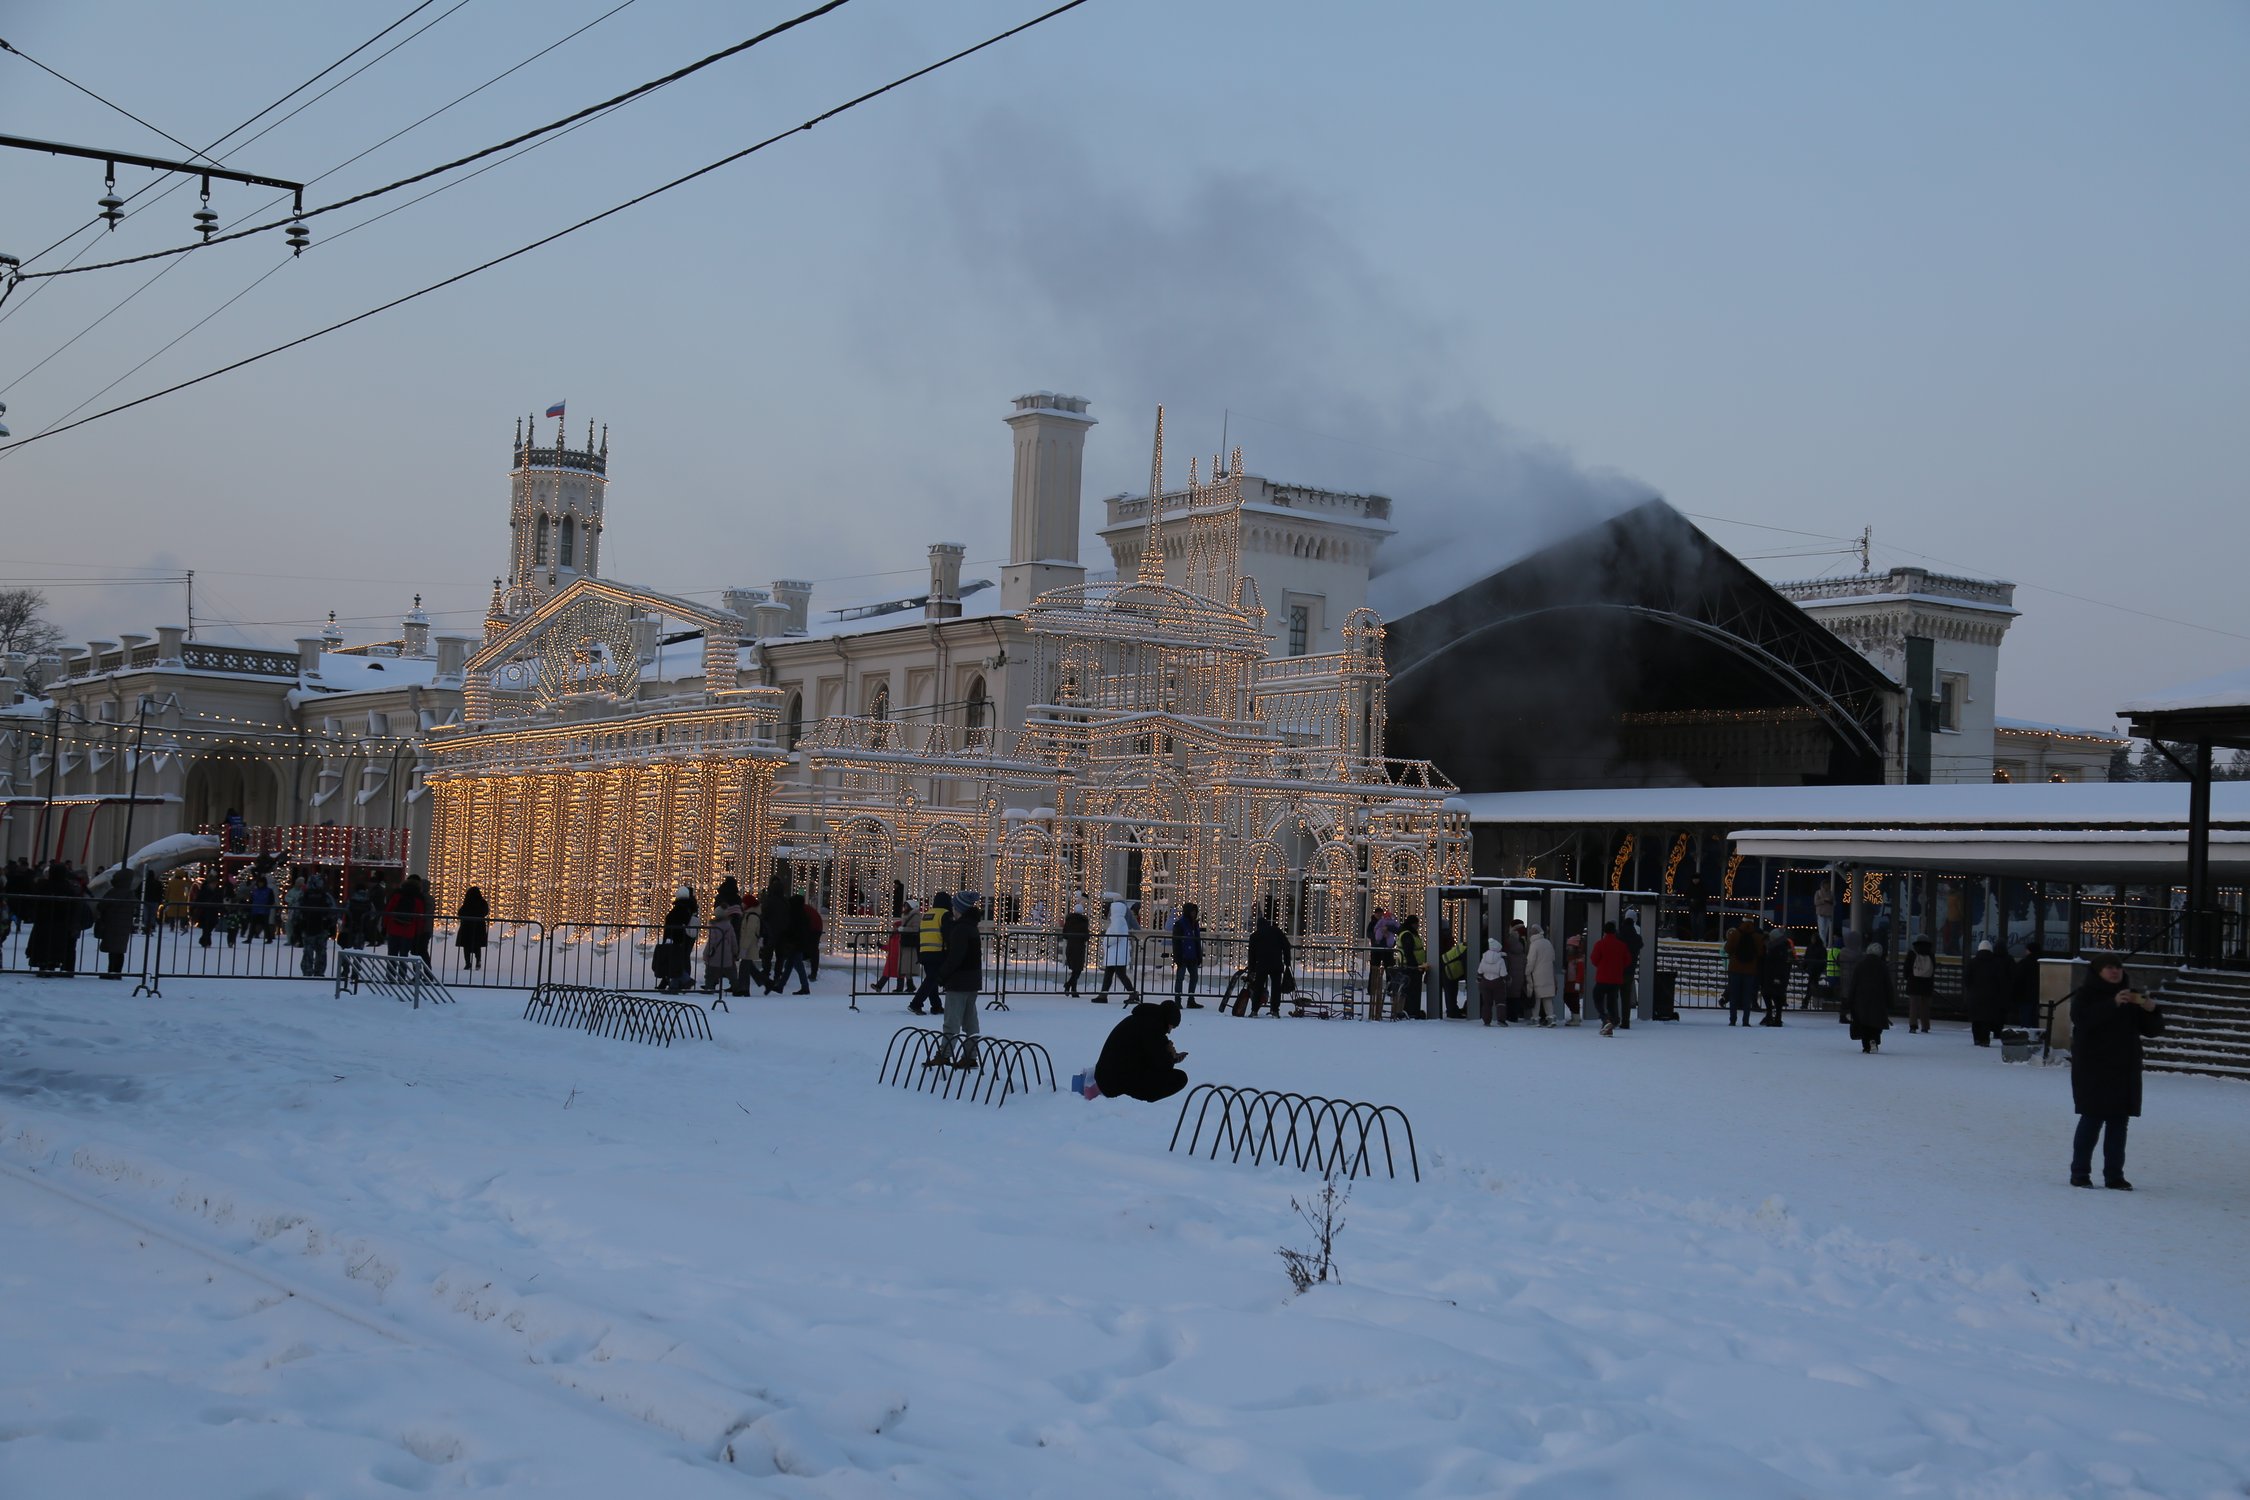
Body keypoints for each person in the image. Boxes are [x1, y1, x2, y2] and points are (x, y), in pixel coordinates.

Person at [2067, 957, 2164, 1189]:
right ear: (2098, 972)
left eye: (2118, 967)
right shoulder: (2086, 994)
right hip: (2094, 1068)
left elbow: (2152, 1030)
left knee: (2119, 1124)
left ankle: (2114, 1175)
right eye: (2109, 968)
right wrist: (2112, 1004)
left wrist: (2152, 1010)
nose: (2114, 972)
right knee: (2091, 1119)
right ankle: (2079, 1172)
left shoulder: (2131, 995)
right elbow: (2081, 1020)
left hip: (2124, 1069)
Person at [925, 889, 985, 1068]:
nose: (952, 910)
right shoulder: (971, 927)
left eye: (954, 907)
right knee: (970, 1021)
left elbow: (955, 957)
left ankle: (945, 1054)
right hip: (972, 980)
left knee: (951, 1021)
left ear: (960, 909)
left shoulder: (960, 929)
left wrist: (941, 975)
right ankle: (970, 1055)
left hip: (959, 980)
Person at [1094, 997, 1188, 1103]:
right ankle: (1140, 1102)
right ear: (1168, 1021)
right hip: (1113, 1084)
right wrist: (1170, 1055)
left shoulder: (1142, 1020)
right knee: (1180, 1078)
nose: (1170, 1032)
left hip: (1106, 1076)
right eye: (1172, 1027)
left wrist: (1169, 1055)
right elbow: (1162, 1066)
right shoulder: (1153, 1029)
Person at [1238, 912, 1291, 1016]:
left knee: (1258, 987)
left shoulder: (1255, 936)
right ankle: (1275, 1010)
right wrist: (1287, 961)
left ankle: (1254, 1010)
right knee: (1276, 988)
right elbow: (1286, 946)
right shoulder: (1277, 931)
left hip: (1261, 965)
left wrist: (1252, 968)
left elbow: (1251, 954)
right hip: (1276, 964)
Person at [1964, 938, 2012, 1047]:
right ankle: (1985, 1040)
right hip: (1991, 996)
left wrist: (1971, 990)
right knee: (1986, 1019)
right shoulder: (1996, 963)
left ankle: (1977, 1039)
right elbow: (2001, 980)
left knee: (1976, 1019)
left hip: (1975, 996)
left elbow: (1967, 979)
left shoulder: (1972, 962)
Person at [1848, 941, 1894, 1053]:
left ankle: (1866, 1045)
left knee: (1863, 1022)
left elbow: (1853, 983)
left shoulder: (1860, 965)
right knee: (1876, 1021)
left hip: (1861, 998)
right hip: (1879, 998)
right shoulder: (1882, 966)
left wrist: (1850, 1000)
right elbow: (1888, 985)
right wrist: (1890, 1001)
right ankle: (1874, 1040)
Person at [909, 892, 951, 1013]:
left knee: (931, 979)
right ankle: (916, 1003)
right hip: (938, 951)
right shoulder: (945, 914)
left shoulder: (927, 914)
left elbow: (920, 934)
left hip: (924, 951)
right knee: (932, 979)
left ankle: (936, 1005)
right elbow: (947, 934)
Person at [1589, 921, 1632, 1037]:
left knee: (1597, 997)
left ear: (1604, 931)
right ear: (1615, 931)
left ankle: (1605, 1019)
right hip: (1616, 978)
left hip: (1602, 977)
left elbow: (1594, 959)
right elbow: (1627, 961)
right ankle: (1611, 1023)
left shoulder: (1600, 944)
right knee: (1612, 1002)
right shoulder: (1621, 945)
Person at [94, 869, 139, 980]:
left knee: (112, 950)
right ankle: (117, 972)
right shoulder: (130, 893)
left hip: (111, 922)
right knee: (119, 950)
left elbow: (102, 905)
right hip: (124, 925)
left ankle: (112, 971)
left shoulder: (113, 892)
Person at [703, 877, 744, 995]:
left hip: (715, 951)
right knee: (731, 968)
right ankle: (735, 986)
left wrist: (706, 953)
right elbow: (734, 942)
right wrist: (736, 952)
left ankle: (710, 985)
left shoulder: (720, 896)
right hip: (731, 935)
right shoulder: (736, 898)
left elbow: (711, 942)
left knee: (711, 970)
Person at [1095, 897, 1140, 1003]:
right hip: (1116, 953)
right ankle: (1103, 994)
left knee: (1120, 974)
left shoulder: (1117, 920)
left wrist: (1107, 942)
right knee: (1110, 974)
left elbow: (1116, 936)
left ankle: (1132, 993)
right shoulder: (1120, 920)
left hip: (1116, 953)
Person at [655, 885, 698, 993]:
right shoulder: (689, 907)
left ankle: (683, 981)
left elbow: (674, 921)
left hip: (676, 938)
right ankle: (675, 984)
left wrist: (669, 937)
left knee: (674, 962)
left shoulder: (680, 908)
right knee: (676, 961)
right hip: (682, 938)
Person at [294, 872, 336, 976]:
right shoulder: (325, 895)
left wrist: (297, 924)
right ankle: (319, 971)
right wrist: (331, 924)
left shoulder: (304, 895)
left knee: (308, 950)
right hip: (322, 926)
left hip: (307, 926)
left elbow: (296, 911)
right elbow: (333, 911)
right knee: (321, 951)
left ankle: (307, 970)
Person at [1725, 917, 1763, 1027]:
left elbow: (1727, 949)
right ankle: (1745, 1021)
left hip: (1735, 969)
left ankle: (1733, 1020)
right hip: (1750, 970)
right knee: (1747, 997)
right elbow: (1760, 952)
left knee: (1734, 995)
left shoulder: (1735, 933)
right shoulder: (1757, 936)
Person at [1391, 913, 1428, 1019]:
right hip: (1410, 967)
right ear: (1412, 924)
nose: (1418, 926)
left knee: (1410, 990)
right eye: (1417, 923)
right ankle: (1411, 1011)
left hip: (1411, 966)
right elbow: (1409, 952)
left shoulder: (1408, 933)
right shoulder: (1407, 934)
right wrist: (1416, 965)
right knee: (1411, 990)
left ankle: (1411, 1010)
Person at [1169, 901, 1205, 1008]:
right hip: (1183, 955)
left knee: (1194, 977)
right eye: (1192, 912)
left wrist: (1199, 955)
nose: (1194, 914)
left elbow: (1197, 941)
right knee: (1180, 978)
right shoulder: (1180, 924)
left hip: (1192, 955)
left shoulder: (1194, 924)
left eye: (1195, 912)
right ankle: (1178, 1001)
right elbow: (1176, 942)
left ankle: (1190, 999)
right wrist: (1177, 956)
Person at [1759, 921, 1794, 1027]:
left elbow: (1776, 964)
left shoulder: (1776, 949)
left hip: (1774, 976)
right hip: (1776, 976)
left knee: (1772, 995)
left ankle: (1774, 1017)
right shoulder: (1781, 947)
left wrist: (1775, 977)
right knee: (1774, 995)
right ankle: (1775, 1016)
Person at [1524, 924, 1558, 1027]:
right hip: (1549, 974)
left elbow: (1531, 961)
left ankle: (1535, 1020)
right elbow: (1553, 958)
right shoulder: (1548, 943)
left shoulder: (1534, 945)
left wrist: (1527, 971)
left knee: (1537, 999)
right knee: (1547, 998)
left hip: (1537, 975)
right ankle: (1551, 1018)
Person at [1904, 936, 1938, 1033]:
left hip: (1913, 983)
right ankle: (1925, 1026)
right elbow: (1933, 968)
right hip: (1927, 984)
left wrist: (1907, 977)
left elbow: (1906, 968)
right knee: (1925, 1006)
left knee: (1914, 1006)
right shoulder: (1931, 954)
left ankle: (1913, 1026)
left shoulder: (1912, 953)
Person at [1366, 906, 1398, 1007]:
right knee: (1374, 969)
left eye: (1381, 913)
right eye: (1378, 913)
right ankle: (1372, 989)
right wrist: (1377, 937)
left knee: (1389, 969)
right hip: (1377, 950)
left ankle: (1390, 988)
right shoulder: (1372, 923)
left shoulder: (1387, 922)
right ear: (1375, 914)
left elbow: (1395, 929)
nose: (1379, 915)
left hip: (1387, 950)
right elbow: (1369, 934)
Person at [1061, 897, 1091, 997]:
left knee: (1075, 969)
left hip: (1070, 946)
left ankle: (1073, 989)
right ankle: (1069, 985)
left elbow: (1064, 934)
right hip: (1079, 947)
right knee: (1077, 969)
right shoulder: (1083, 921)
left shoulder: (1069, 920)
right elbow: (1086, 936)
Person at [2012, 941, 2046, 1030]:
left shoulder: (2024, 963)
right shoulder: (2043, 963)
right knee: (2036, 1020)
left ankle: (2026, 1036)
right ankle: (2035, 1037)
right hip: (2039, 996)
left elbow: (2018, 979)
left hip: (2025, 996)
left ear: (2029, 950)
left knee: (2025, 1021)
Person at [455, 886, 490, 971]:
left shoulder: (467, 902)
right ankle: (478, 961)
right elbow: (485, 911)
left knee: (466, 946)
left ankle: (468, 963)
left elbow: (460, 913)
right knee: (477, 946)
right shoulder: (482, 902)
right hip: (479, 927)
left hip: (467, 927)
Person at [1476, 937, 1509, 1026]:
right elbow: (1503, 974)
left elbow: (1480, 971)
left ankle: (1486, 1021)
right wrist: (1507, 979)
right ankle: (1501, 1020)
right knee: (1500, 1002)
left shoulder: (1484, 958)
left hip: (1485, 982)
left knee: (1487, 1003)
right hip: (1498, 983)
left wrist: (1479, 979)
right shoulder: (1501, 960)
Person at [1439, 930, 1470, 1019]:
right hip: (1449, 970)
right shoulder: (1467, 951)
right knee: (1451, 992)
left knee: (1451, 992)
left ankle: (1452, 1010)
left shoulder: (1463, 946)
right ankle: (1452, 1012)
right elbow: (1466, 965)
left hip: (1448, 968)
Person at [1504, 922, 1528, 1022]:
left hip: (1511, 978)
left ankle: (1510, 1016)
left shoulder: (1508, 955)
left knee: (1510, 997)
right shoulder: (1523, 955)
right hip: (1520, 978)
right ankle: (1517, 1014)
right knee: (1517, 996)